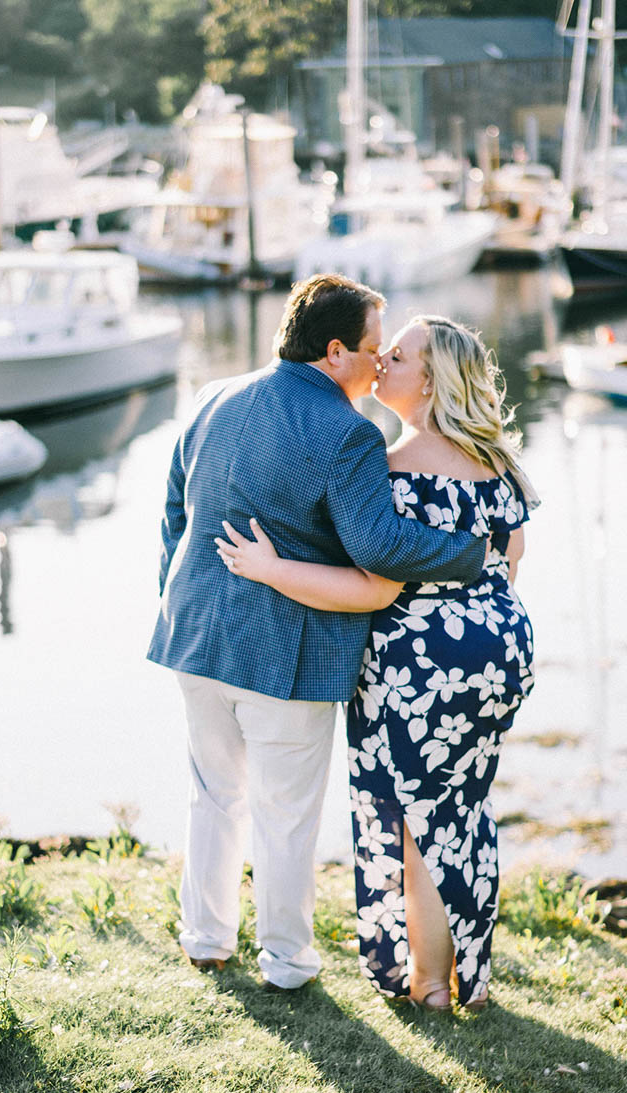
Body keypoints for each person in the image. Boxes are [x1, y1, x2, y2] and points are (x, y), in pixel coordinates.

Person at [148, 279, 486, 991]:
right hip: (284, 653)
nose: (378, 365)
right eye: (371, 351)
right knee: (285, 815)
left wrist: (171, 596)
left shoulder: (214, 395)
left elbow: (174, 511)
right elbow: (378, 544)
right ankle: (288, 963)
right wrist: (474, 554)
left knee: (212, 795)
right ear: (334, 352)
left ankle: (206, 939)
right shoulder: (348, 432)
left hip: (192, 632)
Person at [216, 315, 537, 1011]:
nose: (382, 361)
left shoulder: (393, 468)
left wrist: (271, 569)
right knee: (464, 809)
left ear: (432, 378)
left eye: (399, 355)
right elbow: (510, 563)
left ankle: (429, 985)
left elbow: (373, 586)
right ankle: (472, 980)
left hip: (418, 664)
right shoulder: (502, 465)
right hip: (501, 650)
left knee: (418, 822)